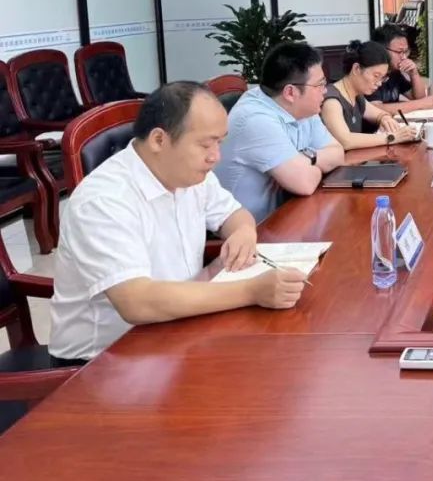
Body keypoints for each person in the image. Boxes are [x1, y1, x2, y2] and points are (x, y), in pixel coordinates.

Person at [49, 82, 308, 363]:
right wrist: (251, 291)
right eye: (205, 144)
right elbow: (136, 301)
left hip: (180, 328)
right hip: (104, 361)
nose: (215, 157)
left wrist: (243, 232)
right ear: (159, 140)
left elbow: (234, 214)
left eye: (219, 143)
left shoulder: (188, 172)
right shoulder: (104, 200)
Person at [216, 42, 345, 223]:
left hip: (288, 216)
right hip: (250, 231)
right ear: (290, 92)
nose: (325, 90)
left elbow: (338, 153)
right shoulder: (255, 119)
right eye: (320, 85)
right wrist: (314, 165)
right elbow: (305, 183)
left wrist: (307, 158)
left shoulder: (305, 108)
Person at [321, 40, 419, 150]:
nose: (379, 83)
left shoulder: (357, 96)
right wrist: (392, 137)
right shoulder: (332, 101)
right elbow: (346, 141)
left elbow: (378, 114)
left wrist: (385, 118)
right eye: (376, 76)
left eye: (382, 78)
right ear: (356, 69)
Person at [367, 24, 433, 114]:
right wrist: (420, 104)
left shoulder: (394, 72)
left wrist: (414, 73)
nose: (404, 57)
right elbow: (375, 108)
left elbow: (419, 97)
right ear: (382, 50)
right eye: (399, 52)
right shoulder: (370, 72)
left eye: (405, 51)